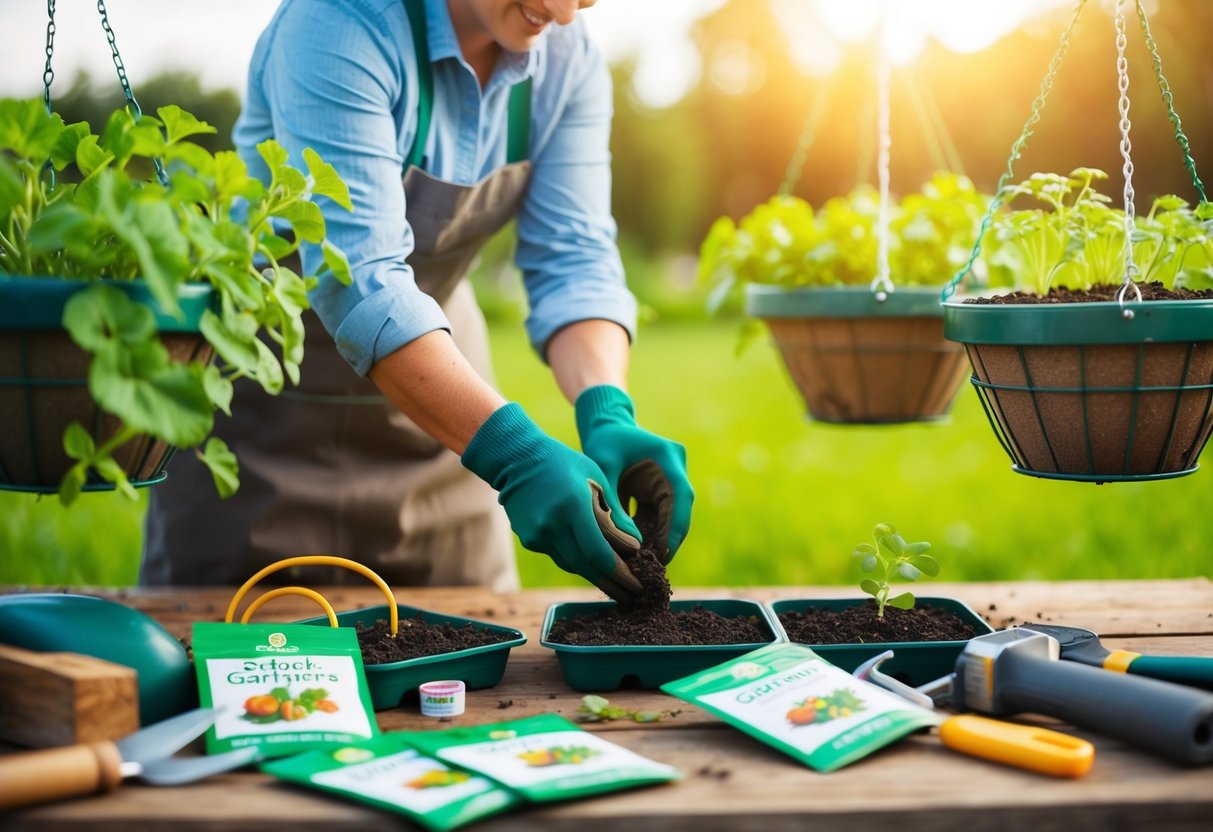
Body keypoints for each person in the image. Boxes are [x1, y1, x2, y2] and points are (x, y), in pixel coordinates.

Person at [140, 0, 694, 599]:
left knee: (480, 671)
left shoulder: (568, 57)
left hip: (445, 440)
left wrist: (606, 410)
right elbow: (361, 278)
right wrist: (518, 456)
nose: (563, 12)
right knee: (242, 671)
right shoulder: (338, 20)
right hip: (260, 433)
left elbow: (574, 260)